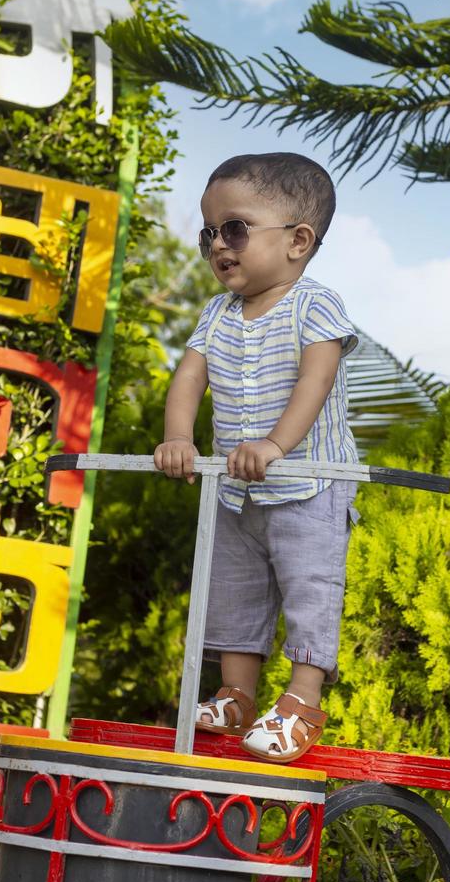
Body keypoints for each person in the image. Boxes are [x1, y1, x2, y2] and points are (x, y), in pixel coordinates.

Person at [154, 152, 359, 764]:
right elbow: (190, 378)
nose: (219, 244)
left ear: (298, 241)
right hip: (238, 490)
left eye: (235, 228)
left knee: (308, 588)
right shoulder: (216, 314)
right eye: (209, 232)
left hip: (308, 487)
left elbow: (315, 381)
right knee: (233, 591)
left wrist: (274, 446)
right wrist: (179, 438)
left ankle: (301, 701)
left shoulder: (314, 303)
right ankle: (236, 693)